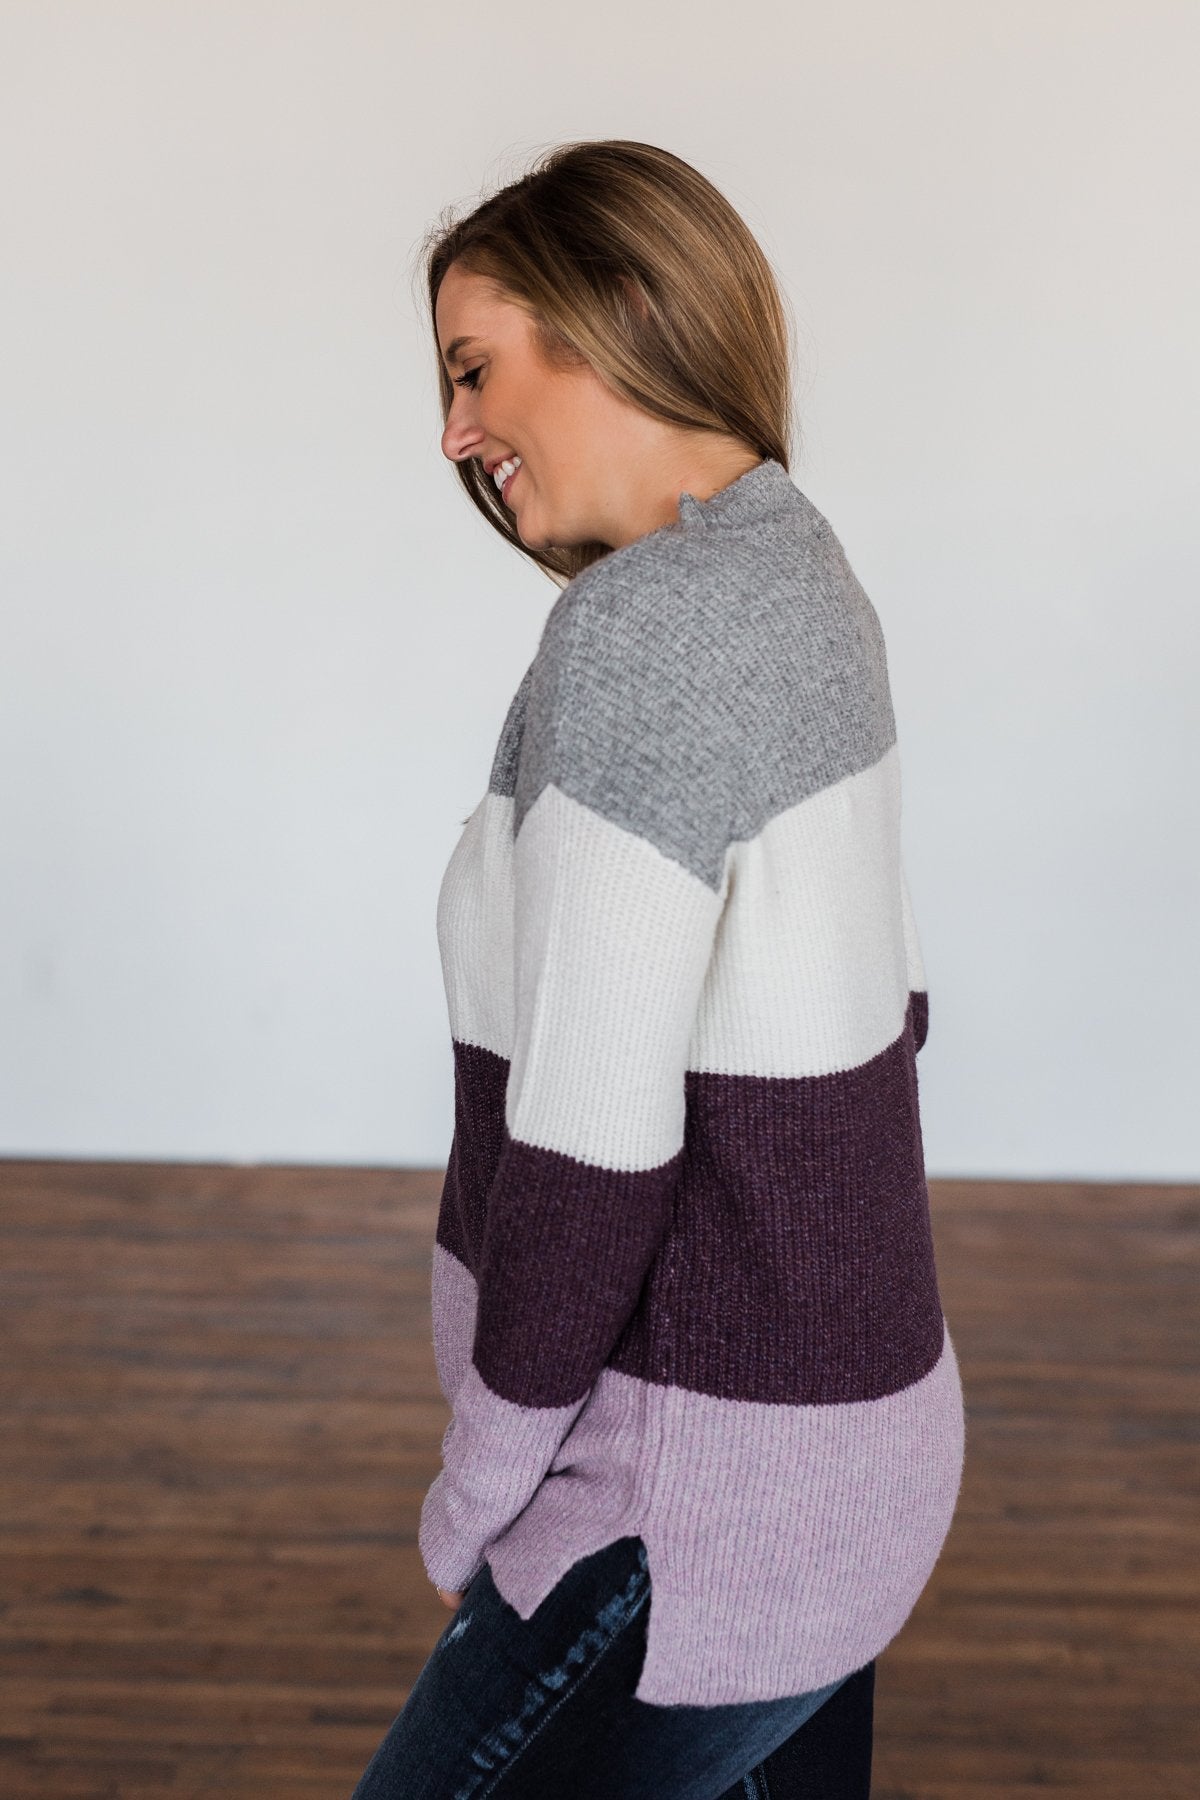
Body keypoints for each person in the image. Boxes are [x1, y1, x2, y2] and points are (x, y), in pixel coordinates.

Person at [349, 138, 965, 1799]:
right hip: (852, 1458)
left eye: (474, 367)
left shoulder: (639, 637)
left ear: (618, 306)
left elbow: (589, 1160)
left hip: (683, 1509)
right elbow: (897, 1013)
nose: (455, 432)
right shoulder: (798, 567)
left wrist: (481, 1489)